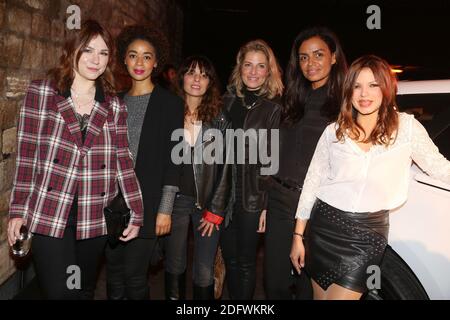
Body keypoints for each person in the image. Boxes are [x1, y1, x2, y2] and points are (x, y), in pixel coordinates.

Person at [290, 55, 450, 300]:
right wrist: (298, 235)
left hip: (366, 236)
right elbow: (313, 182)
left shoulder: (406, 128)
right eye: (357, 86)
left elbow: (440, 168)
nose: (364, 94)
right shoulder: (334, 132)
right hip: (324, 228)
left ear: (386, 88)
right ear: (349, 91)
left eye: (373, 85)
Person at [7, 20, 144, 300]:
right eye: (89, 50)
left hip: (94, 215)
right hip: (49, 210)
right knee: (62, 293)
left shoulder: (113, 104)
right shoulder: (42, 92)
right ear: (73, 51)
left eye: (104, 53)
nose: (96, 59)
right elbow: (26, 156)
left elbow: (123, 161)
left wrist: (136, 210)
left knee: (83, 289)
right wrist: (18, 209)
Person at [265, 26, 347, 299]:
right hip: (280, 201)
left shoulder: (346, 104)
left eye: (318, 54)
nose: (310, 63)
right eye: (303, 57)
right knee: (274, 283)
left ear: (333, 57)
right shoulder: (291, 98)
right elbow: (276, 151)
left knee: (306, 288)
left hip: (317, 207)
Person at [104, 25, 184, 300]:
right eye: (133, 55)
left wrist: (165, 209)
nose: (140, 63)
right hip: (112, 204)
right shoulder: (113, 103)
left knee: (135, 278)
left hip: (148, 204)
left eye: (147, 56)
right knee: (113, 277)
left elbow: (174, 162)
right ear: (124, 60)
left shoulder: (171, 104)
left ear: (156, 62)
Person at [163, 55, 231, 300]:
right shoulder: (167, 111)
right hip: (175, 201)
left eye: (204, 75)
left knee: (204, 271)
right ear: (181, 78)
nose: (197, 79)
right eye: (192, 72)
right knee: (175, 264)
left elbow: (226, 168)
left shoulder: (220, 119)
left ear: (210, 82)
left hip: (207, 205)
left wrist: (216, 209)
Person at [220, 39, 283, 300]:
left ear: (269, 71)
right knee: (230, 260)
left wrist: (266, 205)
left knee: (245, 263)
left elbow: (273, 161)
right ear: (240, 67)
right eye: (248, 65)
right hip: (222, 196)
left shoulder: (273, 109)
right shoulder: (225, 102)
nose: (253, 72)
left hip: (252, 198)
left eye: (260, 66)